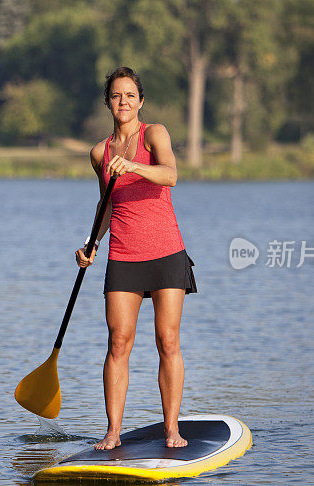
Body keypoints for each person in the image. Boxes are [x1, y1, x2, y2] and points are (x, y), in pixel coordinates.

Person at [75, 67, 197, 450]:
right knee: (118, 342)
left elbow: (171, 175)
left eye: (130, 95)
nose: (123, 102)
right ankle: (113, 432)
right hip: (124, 255)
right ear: (108, 102)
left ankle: (172, 429)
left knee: (167, 340)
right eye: (116, 95)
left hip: (166, 252)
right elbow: (107, 204)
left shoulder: (154, 133)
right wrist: (91, 244)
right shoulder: (100, 152)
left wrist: (134, 166)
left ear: (140, 101)